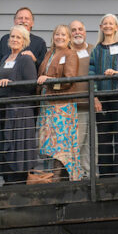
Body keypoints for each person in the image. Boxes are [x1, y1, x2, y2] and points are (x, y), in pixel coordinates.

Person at [89, 14, 118, 177]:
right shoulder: (96, 50)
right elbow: (91, 74)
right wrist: (95, 97)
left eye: (111, 23)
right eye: (105, 23)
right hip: (102, 98)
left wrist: (117, 73)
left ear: (116, 27)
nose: (108, 26)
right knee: (104, 137)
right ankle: (105, 174)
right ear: (101, 27)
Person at [0, 25, 39, 185]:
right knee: (4, 143)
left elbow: (31, 84)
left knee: (17, 146)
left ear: (24, 40)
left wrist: (11, 82)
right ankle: (7, 180)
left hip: (20, 111)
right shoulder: (5, 58)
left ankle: (18, 182)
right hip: (4, 109)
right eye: (12, 36)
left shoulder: (25, 59)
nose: (14, 39)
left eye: (18, 37)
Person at [36, 24, 81, 180]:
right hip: (47, 105)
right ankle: (51, 176)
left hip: (62, 105)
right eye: (57, 34)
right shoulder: (49, 53)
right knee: (49, 143)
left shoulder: (70, 54)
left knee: (61, 144)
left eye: (63, 35)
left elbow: (69, 80)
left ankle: (57, 177)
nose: (59, 37)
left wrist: (49, 80)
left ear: (69, 38)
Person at [66, 20, 93, 179]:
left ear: (85, 32)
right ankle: (75, 177)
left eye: (80, 29)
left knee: (91, 144)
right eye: (74, 30)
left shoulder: (93, 49)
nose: (77, 32)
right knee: (76, 142)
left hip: (93, 104)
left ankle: (89, 175)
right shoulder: (65, 52)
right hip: (74, 106)